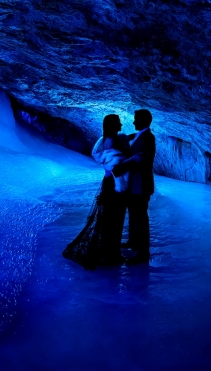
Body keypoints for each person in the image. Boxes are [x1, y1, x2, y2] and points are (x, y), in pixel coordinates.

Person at [62, 114, 130, 269]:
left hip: (110, 181)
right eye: (118, 122)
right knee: (112, 217)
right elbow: (115, 165)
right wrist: (130, 163)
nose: (121, 124)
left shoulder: (109, 139)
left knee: (108, 217)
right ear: (113, 125)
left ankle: (108, 252)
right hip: (114, 182)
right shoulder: (111, 140)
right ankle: (108, 254)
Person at [112, 109, 156, 265]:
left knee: (141, 219)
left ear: (143, 120)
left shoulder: (148, 137)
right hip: (135, 184)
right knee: (134, 215)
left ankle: (143, 253)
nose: (133, 122)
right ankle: (133, 242)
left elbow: (141, 160)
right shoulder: (141, 135)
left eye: (136, 119)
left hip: (141, 185)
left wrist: (119, 168)